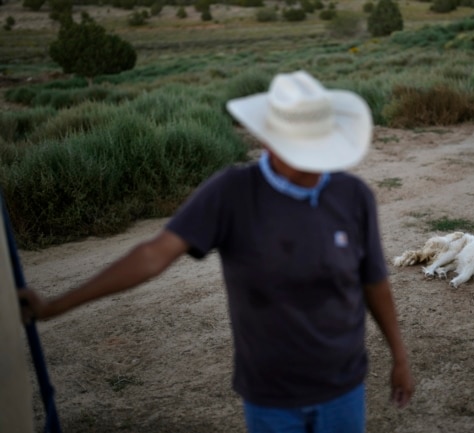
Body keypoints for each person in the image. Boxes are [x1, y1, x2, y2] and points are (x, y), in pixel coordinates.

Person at [19, 70, 415, 433]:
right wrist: (57, 305)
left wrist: (399, 356)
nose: (315, 162)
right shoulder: (231, 194)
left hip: (343, 387)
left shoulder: (353, 195)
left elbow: (374, 281)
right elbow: (153, 255)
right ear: (267, 140)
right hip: (271, 396)